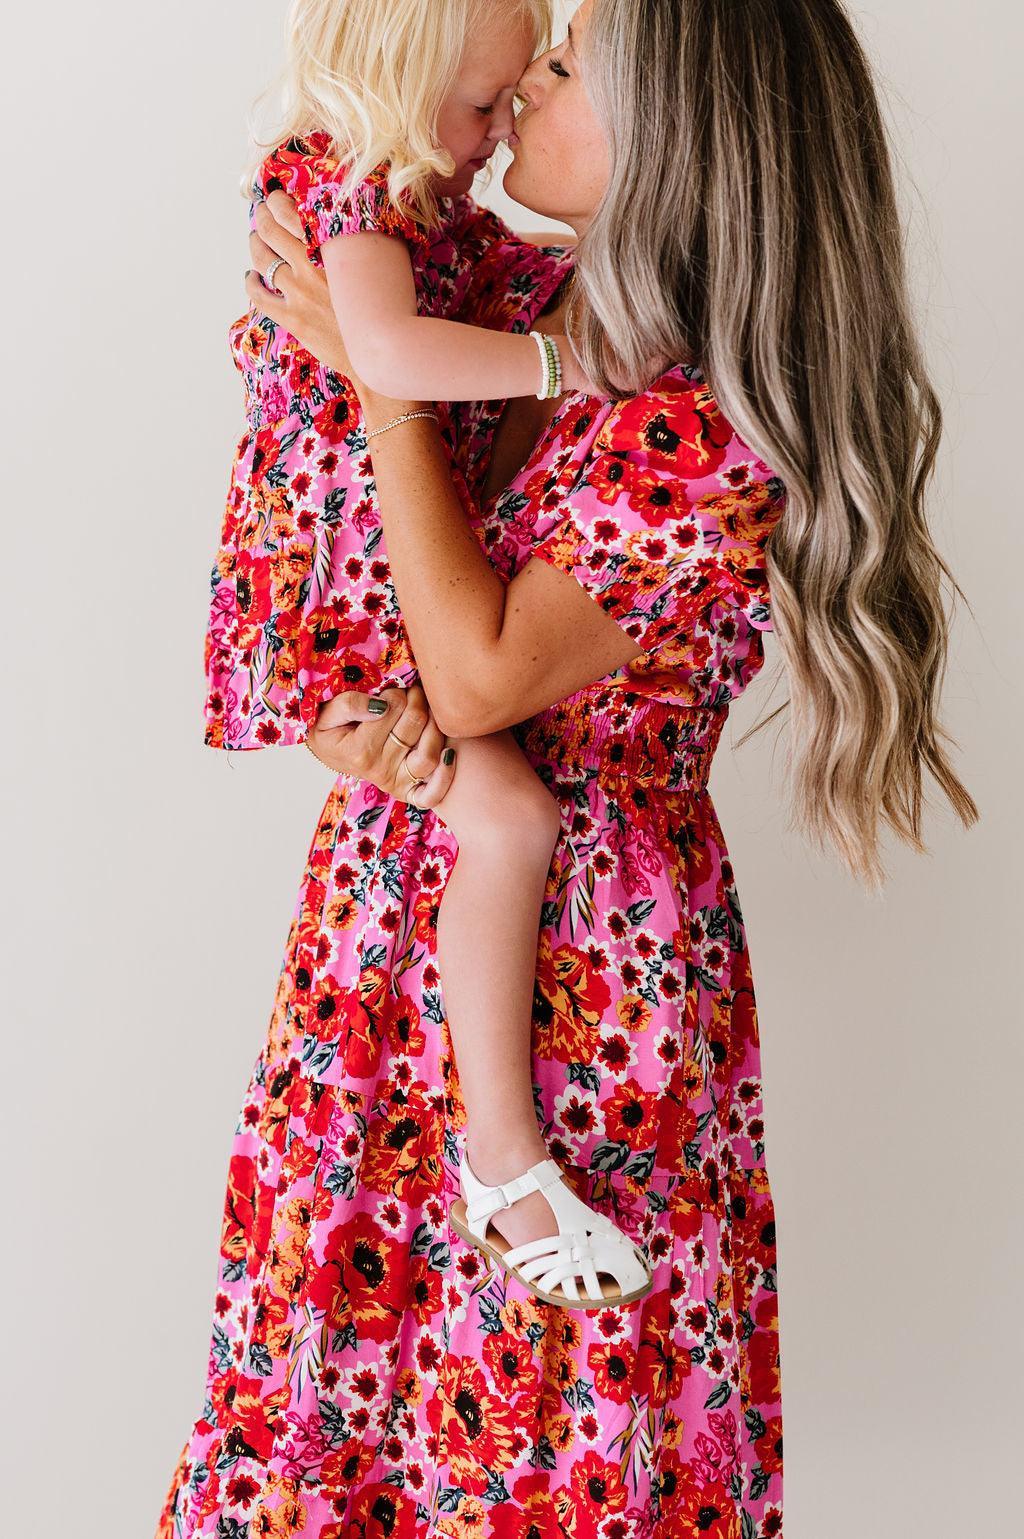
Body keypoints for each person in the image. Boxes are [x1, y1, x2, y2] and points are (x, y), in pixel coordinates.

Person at [158, 3, 977, 1536]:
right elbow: (367, 559)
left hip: (579, 984)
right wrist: (341, 706)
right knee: (341, 1396)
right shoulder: (518, 300)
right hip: (391, 928)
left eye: (567, 62)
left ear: (675, 128)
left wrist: (383, 388)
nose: (526, 83)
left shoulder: (706, 427)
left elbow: (477, 668)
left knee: (541, 1436)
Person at [206, 0, 648, 1309]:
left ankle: (502, 1160)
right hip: (342, 587)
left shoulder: (429, 216)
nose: (499, 127)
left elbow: (424, 334)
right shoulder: (342, 185)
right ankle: (505, 1161)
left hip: (382, 590)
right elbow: (389, 352)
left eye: (531, 87)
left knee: (507, 818)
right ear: (394, 82)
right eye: (485, 100)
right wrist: (561, 364)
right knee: (508, 818)